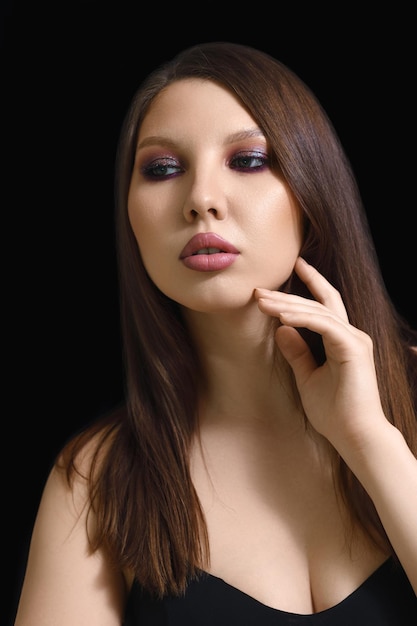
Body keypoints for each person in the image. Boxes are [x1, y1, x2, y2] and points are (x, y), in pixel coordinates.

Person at [14, 41, 417, 625]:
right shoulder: (98, 480)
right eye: (162, 169)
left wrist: (371, 443)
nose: (201, 199)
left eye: (248, 160)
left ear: (312, 194)